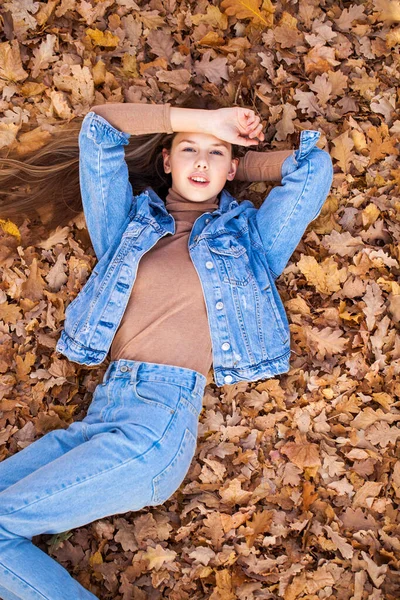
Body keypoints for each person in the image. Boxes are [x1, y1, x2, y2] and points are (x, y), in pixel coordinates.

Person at [0, 91, 333, 599]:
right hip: (100, 416)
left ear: (233, 167)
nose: (201, 162)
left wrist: (232, 162)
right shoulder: (127, 228)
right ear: (165, 159)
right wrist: (208, 124)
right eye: (188, 150)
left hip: (155, 430)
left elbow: (312, 168)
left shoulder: (251, 244)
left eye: (215, 153)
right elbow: (101, 131)